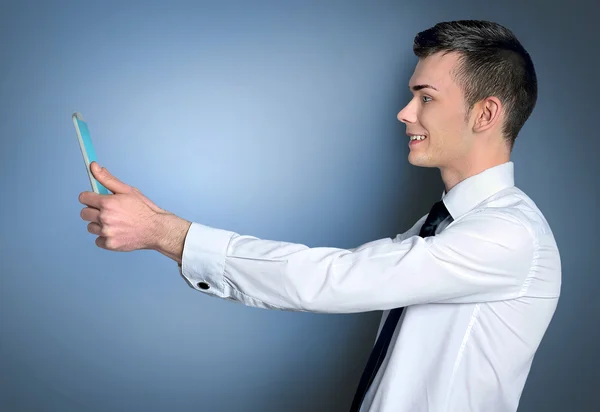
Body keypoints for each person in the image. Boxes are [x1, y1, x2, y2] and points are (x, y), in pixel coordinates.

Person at [78, 19, 561, 412]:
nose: (404, 112)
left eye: (426, 97)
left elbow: (332, 279)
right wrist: (160, 223)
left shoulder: (507, 234)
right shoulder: (441, 227)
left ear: (485, 113)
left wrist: (166, 234)